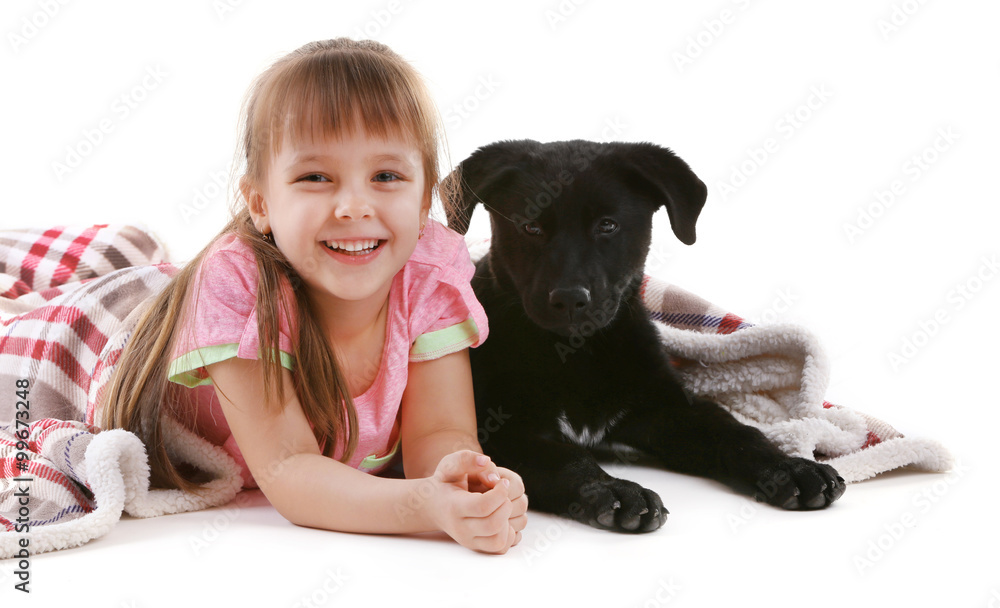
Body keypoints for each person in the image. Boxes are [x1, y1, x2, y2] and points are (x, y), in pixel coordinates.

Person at [99, 38, 527, 554]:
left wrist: (463, 481)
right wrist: (423, 506)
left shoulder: (430, 272)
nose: (353, 205)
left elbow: (438, 429)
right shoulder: (238, 286)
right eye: (315, 176)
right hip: (108, 336)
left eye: (386, 176)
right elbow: (289, 470)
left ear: (422, 200)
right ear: (260, 202)